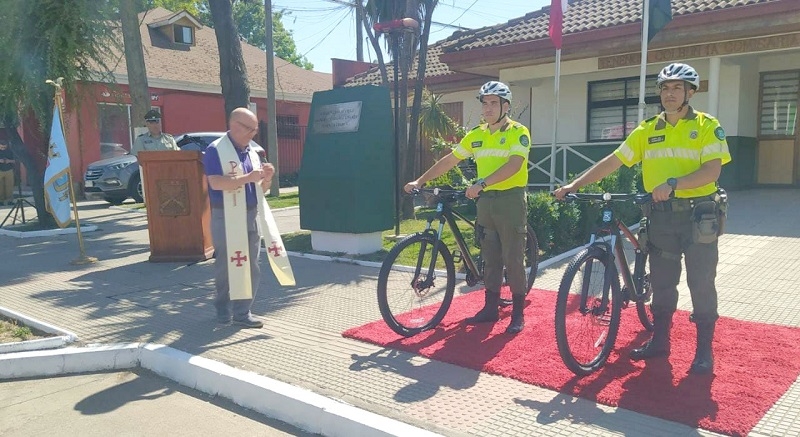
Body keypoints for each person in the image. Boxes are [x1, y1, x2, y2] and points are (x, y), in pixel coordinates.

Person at [554, 62, 731, 375]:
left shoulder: (706, 125)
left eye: (677, 87)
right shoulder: (647, 129)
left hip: (698, 216)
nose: (670, 93)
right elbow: (613, 161)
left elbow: (712, 170)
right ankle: (660, 341)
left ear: (691, 92)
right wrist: (574, 185)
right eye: (665, 88)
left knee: (701, 283)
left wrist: (673, 184)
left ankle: (704, 350)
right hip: (661, 219)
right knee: (663, 283)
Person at [404, 81, 531, 335]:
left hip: (509, 199)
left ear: (505, 106)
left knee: (513, 258)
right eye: (485, 103)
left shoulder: (518, 132)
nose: (488, 108)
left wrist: (482, 182)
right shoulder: (476, 135)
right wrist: (421, 180)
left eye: (494, 103)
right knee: (490, 257)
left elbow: (515, 165)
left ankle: (518, 314)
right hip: (485, 201)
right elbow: (450, 159)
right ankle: (490, 308)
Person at [203, 108, 274, 329]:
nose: (254, 133)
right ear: (235, 126)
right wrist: (247, 177)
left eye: (255, 129)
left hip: (251, 212)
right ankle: (223, 308)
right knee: (226, 263)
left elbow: (261, 188)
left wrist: (267, 178)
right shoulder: (215, 150)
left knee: (250, 264)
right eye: (250, 129)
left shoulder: (252, 151)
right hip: (225, 214)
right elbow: (215, 183)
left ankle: (243, 312)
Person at [0, 139, 15, 206]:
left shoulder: (10, 151)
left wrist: (9, 161)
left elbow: (15, 160)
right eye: (1, 147)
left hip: (9, 170)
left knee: (9, 186)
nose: (3, 148)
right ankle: (1, 201)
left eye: (4, 147)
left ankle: (9, 200)